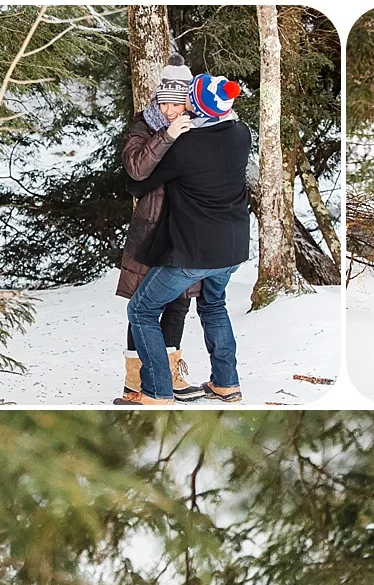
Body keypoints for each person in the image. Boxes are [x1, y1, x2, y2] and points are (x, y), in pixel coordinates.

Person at [125, 72, 253, 404]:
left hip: (194, 253)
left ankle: (156, 391)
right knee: (214, 306)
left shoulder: (186, 145)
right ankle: (226, 382)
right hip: (234, 249)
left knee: (142, 309)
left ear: (192, 106)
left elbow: (138, 183)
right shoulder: (241, 133)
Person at [114, 52, 202, 404]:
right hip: (151, 229)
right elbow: (136, 169)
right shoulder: (143, 128)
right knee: (142, 304)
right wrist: (166, 135)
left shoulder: (201, 127)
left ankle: (170, 372)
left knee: (179, 302)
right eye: (165, 104)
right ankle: (135, 379)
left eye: (178, 105)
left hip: (187, 228)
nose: (171, 111)